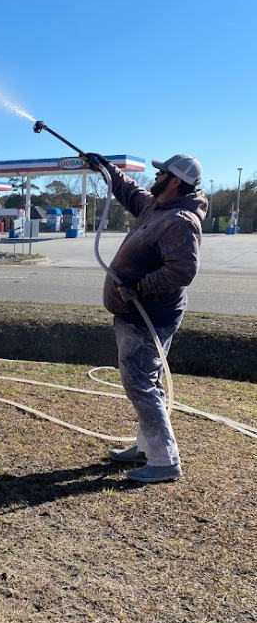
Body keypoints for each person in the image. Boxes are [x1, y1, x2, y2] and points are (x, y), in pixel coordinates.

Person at [86, 153, 208, 483]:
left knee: (141, 384)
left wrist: (139, 287)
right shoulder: (157, 207)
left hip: (148, 316)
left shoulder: (180, 220)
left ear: (176, 181)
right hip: (134, 312)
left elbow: (182, 271)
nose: (155, 178)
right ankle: (146, 447)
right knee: (148, 381)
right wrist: (106, 168)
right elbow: (128, 190)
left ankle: (165, 460)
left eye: (162, 173)